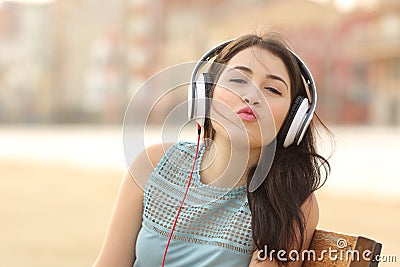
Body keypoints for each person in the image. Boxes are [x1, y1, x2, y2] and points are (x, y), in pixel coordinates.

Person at [93, 31, 331, 267]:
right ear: (206, 93)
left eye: (272, 89)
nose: (252, 96)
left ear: (294, 119)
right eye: (238, 80)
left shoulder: (290, 199)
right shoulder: (154, 163)